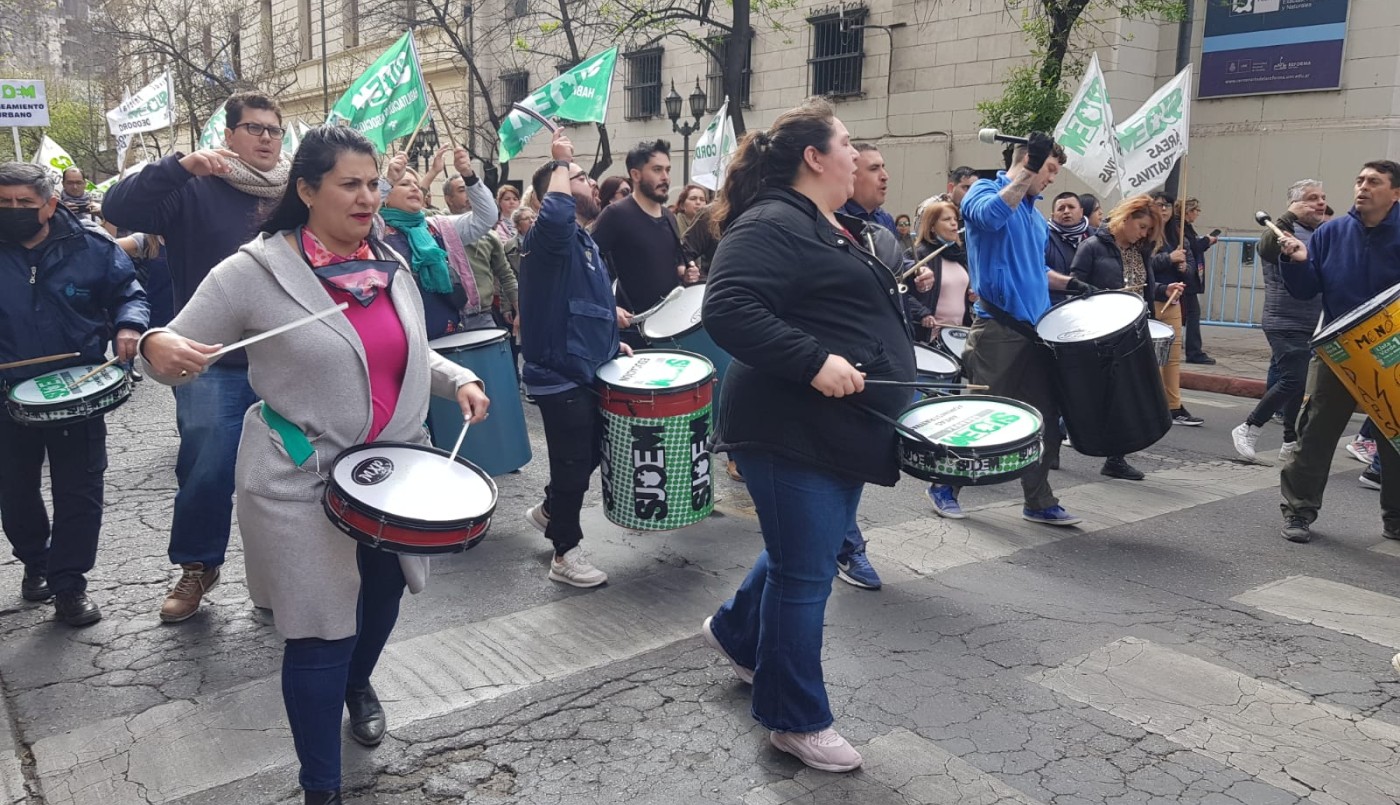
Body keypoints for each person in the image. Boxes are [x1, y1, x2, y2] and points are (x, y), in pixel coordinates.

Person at [138, 126, 490, 804]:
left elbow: (402, 349)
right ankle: (320, 786)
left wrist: (457, 381)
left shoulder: (386, 259)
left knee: (383, 599)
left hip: (396, 477)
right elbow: (169, 338)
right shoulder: (254, 270)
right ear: (306, 189)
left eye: (372, 184)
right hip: (301, 478)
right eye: (350, 185)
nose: (368, 197)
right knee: (320, 629)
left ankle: (359, 683)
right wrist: (155, 345)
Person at [699, 97, 915, 773]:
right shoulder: (773, 220)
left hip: (835, 428)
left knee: (805, 551)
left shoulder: (822, 221)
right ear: (814, 157)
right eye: (847, 144)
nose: (857, 156)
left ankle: (736, 630)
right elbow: (728, 307)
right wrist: (815, 362)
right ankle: (794, 718)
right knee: (806, 572)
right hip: (790, 427)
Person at [103, 91, 291, 623]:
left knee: (290, 473)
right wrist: (178, 166)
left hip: (286, 361)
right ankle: (197, 566)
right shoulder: (191, 187)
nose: (265, 138)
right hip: (211, 364)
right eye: (253, 129)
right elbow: (117, 209)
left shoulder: (293, 193)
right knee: (207, 471)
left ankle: (283, 573)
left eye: (273, 130)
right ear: (227, 136)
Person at [0, 163, 148, 626]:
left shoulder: (91, 245)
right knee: (14, 490)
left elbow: (129, 291)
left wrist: (129, 325)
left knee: (80, 492)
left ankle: (69, 585)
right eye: (4, 203)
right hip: (6, 397)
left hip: (78, 390)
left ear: (50, 204)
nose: (13, 211)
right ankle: (35, 561)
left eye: (24, 203)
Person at [925, 133, 1085, 525]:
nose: (1050, 179)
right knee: (980, 418)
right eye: (1048, 169)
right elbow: (991, 216)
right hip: (996, 330)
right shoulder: (984, 190)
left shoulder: (1033, 213)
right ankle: (944, 484)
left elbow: (1034, 270)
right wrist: (1029, 167)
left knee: (1043, 420)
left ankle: (1038, 499)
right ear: (1029, 161)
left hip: (1035, 333)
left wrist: (1070, 284)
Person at [519, 129, 633, 587]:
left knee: (587, 453)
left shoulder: (583, 244)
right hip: (558, 375)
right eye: (578, 177)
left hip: (585, 368)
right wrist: (562, 161)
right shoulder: (550, 237)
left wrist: (612, 334)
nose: (588, 182)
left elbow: (583, 304)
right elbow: (557, 212)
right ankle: (564, 552)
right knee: (571, 463)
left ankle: (549, 510)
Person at [1275, 159, 1400, 544]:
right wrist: (1295, 260)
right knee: (1314, 432)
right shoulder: (1332, 233)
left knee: (1395, 439)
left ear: (1395, 193)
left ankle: (1395, 518)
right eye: (1359, 179)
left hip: (1392, 353)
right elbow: (1305, 287)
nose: (1362, 187)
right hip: (1338, 351)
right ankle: (1298, 512)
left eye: (1374, 182)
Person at [1069, 194, 1180, 481]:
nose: (1143, 234)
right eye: (1141, 227)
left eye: (1147, 230)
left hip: (1133, 329)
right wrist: (1102, 298)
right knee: (1095, 394)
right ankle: (1060, 438)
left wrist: (1162, 291)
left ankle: (1115, 458)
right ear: (1126, 219)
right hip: (1101, 329)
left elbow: (1143, 287)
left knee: (1123, 395)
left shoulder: (1140, 250)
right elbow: (1073, 285)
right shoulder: (1092, 246)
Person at [1230, 179, 1326, 464]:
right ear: (1296, 204)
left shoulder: (1319, 234)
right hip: (1284, 320)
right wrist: (1289, 216)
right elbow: (1267, 248)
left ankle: (1289, 440)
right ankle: (1248, 427)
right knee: (1293, 378)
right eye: (1312, 198)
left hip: (1313, 322)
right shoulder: (1281, 231)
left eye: (1323, 197)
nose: (1320, 202)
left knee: (1298, 383)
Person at [380, 155, 500, 336]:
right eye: (404, 184)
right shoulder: (375, 231)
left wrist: (468, 174)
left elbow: (486, 218)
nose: (414, 188)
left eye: (416, 184)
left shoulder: (438, 227)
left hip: (448, 336)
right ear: (386, 195)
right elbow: (360, 211)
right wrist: (386, 180)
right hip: (403, 337)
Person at [591, 139, 699, 317]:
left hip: (669, 322)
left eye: (668, 170)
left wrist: (686, 274)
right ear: (635, 175)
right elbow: (586, 266)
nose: (665, 177)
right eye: (657, 170)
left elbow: (673, 264)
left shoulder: (669, 216)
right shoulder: (615, 214)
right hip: (634, 327)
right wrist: (608, 306)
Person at [1149, 192, 1203, 427]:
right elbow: (1142, 266)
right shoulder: (1144, 233)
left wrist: (1183, 267)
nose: (1163, 209)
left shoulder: (1179, 235)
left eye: (1167, 205)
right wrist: (1168, 259)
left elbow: (1190, 268)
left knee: (1172, 357)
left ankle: (1173, 406)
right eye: (1158, 205)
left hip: (1173, 301)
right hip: (1150, 300)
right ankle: (1148, 403)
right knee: (1149, 357)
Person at [905, 199, 970, 344]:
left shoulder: (959, 256)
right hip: (928, 336)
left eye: (955, 219)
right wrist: (922, 314)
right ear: (932, 226)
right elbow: (900, 292)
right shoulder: (918, 255)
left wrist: (971, 296)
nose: (954, 223)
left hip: (956, 335)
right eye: (947, 219)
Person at [1176, 198, 1217, 365]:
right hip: (1186, 277)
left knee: (1189, 313)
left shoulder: (1184, 227)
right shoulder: (1181, 227)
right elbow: (1192, 248)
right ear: (1188, 211)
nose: (1197, 214)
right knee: (1193, 313)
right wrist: (1206, 241)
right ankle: (1193, 351)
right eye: (1196, 210)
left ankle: (1191, 349)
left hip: (1187, 275)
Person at [838, 143, 896, 233]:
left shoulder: (885, 220)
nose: (885, 176)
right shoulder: (834, 221)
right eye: (874, 169)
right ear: (850, 176)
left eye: (882, 167)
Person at [1045, 191, 1091, 305]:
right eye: (1061, 208)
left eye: (1071, 207)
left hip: (1091, 304)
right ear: (1053, 215)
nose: (1066, 211)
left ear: (1081, 212)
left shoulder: (1095, 237)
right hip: (1056, 308)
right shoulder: (1044, 238)